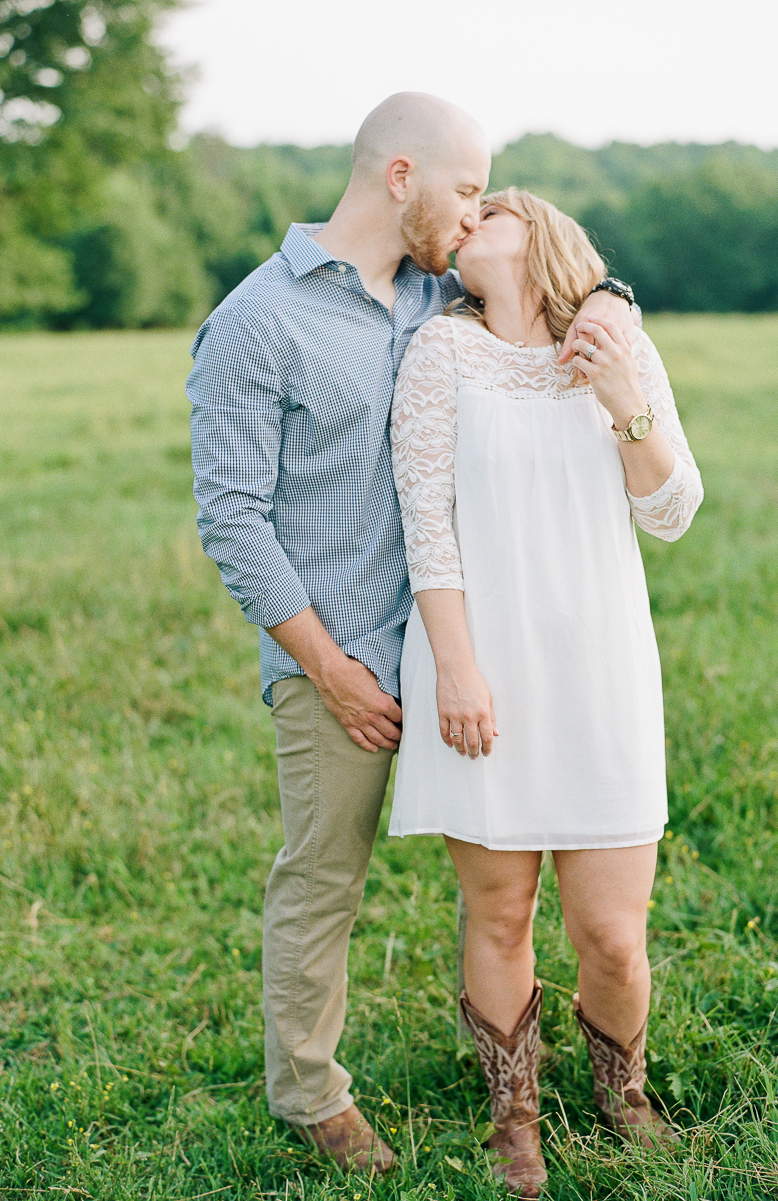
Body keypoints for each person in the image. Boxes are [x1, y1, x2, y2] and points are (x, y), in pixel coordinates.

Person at [188, 95, 633, 1176]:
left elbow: (557, 282)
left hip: (468, 649)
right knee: (325, 875)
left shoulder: (437, 292)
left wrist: (613, 310)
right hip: (337, 653)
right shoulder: (259, 323)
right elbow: (231, 517)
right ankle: (308, 1090)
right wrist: (331, 668)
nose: (477, 209)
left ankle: (546, 1086)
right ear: (401, 177)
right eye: (468, 187)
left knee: (510, 887)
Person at [389, 188, 703, 1195]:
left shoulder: (615, 344)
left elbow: (673, 509)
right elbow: (426, 523)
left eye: (494, 208)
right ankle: (514, 1115)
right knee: (501, 910)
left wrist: (623, 395)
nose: (468, 219)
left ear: (543, 239)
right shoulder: (441, 351)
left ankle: (624, 1094)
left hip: (600, 665)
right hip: (478, 663)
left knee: (613, 932)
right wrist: (458, 668)